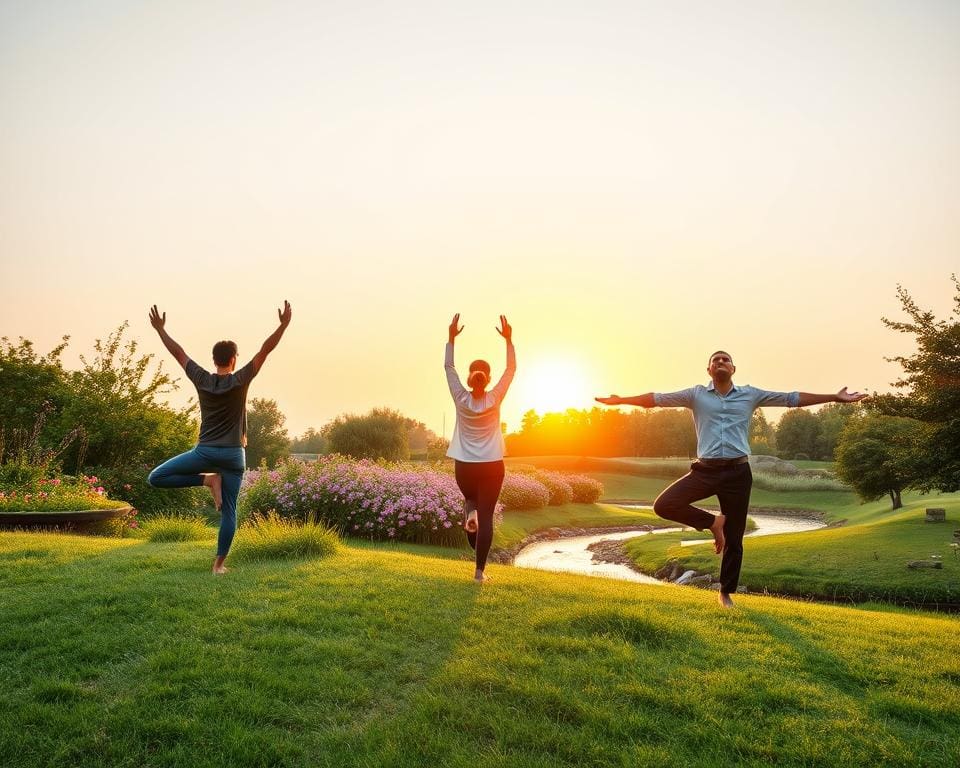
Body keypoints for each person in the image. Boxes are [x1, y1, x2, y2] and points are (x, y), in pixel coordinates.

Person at [596, 350, 866, 607]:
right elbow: (656, 399)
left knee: (735, 539)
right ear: (709, 369)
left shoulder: (750, 395)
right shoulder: (695, 395)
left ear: (733, 368)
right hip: (706, 470)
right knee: (664, 504)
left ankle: (725, 594)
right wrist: (622, 400)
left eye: (725, 359)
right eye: (716, 360)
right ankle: (714, 522)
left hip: (738, 473)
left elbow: (791, 398)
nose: (721, 362)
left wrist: (834, 396)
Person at [147, 301, 292, 574]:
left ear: (214, 359)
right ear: (234, 359)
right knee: (230, 512)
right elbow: (265, 350)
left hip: (204, 452)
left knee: (155, 478)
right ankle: (218, 566)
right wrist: (282, 325)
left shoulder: (201, 378)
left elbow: (178, 353)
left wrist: (160, 330)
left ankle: (206, 479)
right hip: (234, 455)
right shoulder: (241, 379)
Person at [445, 313, 516, 582]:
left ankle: (470, 514)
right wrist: (508, 341)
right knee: (487, 518)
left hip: (464, 466)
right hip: (492, 465)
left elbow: (448, 368)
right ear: (487, 379)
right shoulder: (494, 398)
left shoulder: (460, 397)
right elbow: (511, 371)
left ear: (471, 377)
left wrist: (451, 338)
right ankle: (479, 574)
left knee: (470, 501)